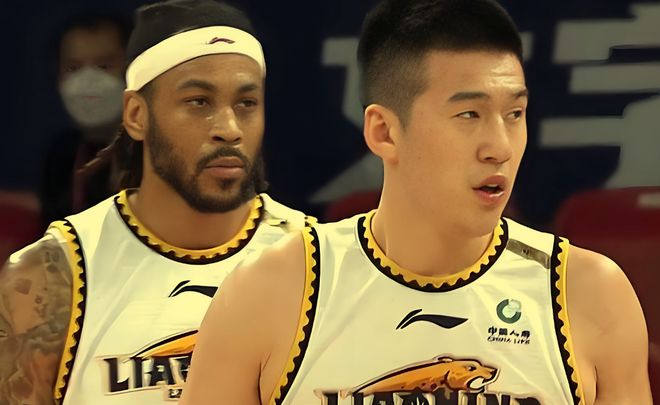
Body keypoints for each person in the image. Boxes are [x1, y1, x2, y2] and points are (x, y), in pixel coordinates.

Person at [180, 0, 652, 404]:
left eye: (514, 113)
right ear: (384, 132)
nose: (500, 147)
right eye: (469, 114)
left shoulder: (589, 295)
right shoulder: (268, 292)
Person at [0, 0, 312, 403]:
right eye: (199, 101)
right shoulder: (51, 277)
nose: (229, 128)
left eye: (246, 103)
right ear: (136, 115)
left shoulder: (317, 259)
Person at [41, 11, 132, 229]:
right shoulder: (61, 157)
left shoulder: (158, 157)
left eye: (104, 66)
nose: (88, 80)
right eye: (73, 68)